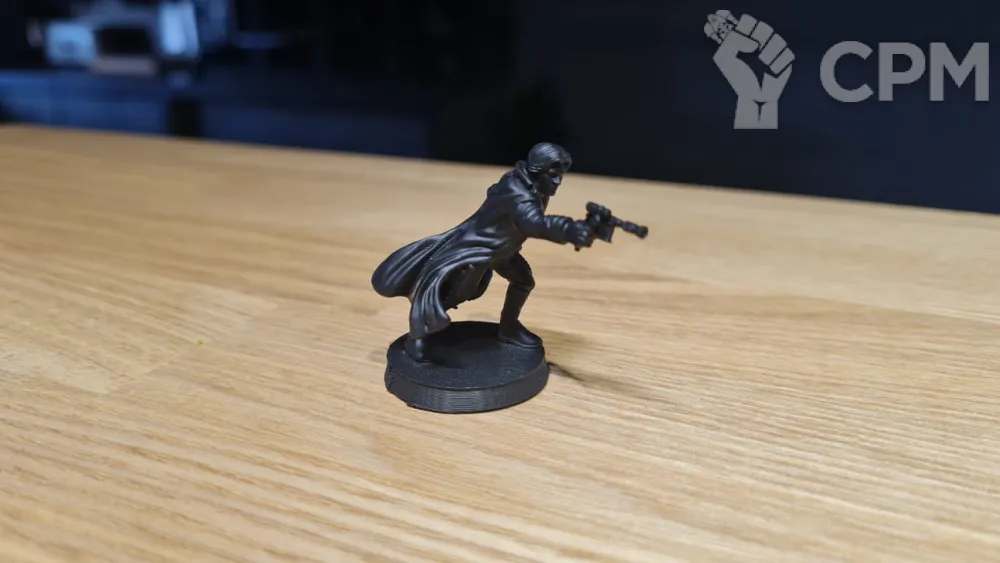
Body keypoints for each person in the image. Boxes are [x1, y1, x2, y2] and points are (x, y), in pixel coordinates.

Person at [371, 142, 594, 363]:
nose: (557, 182)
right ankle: (418, 335)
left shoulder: (536, 188)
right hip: (477, 250)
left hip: (503, 250)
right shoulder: (516, 190)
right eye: (553, 176)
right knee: (455, 295)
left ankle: (509, 327)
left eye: (560, 177)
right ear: (537, 171)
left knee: (524, 281)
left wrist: (583, 229)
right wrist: (569, 230)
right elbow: (532, 222)